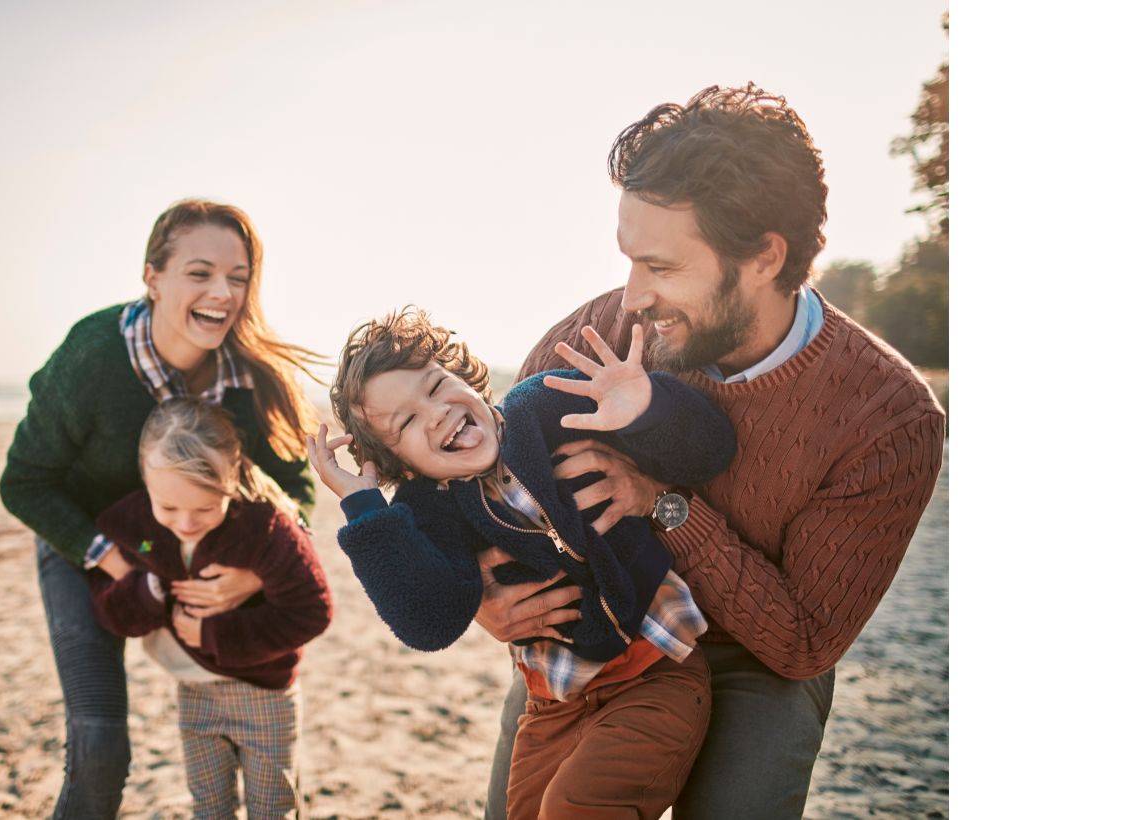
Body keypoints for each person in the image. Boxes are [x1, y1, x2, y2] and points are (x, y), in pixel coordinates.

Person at [477, 84, 947, 819]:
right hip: (603, 620)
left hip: (755, 656)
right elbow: (488, 488)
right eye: (630, 260)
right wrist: (488, 597)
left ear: (764, 257)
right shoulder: (600, 333)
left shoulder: (888, 418)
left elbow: (803, 642)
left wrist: (664, 506)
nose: (632, 297)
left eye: (661, 267)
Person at [309, 307, 736, 818]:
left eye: (435, 385)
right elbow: (428, 621)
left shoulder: (544, 407)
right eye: (406, 421)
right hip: (553, 701)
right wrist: (364, 509)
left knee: (575, 808)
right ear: (399, 466)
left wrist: (644, 405)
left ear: (463, 375)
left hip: (654, 670)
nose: (436, 413)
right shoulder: (429, 510)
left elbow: (712, 449)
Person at [0, 198, 321, 819]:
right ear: (153, 277)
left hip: (196, 555)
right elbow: (24, 483)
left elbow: (293, 492)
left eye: (238, 276)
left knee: (258, 759)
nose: (221, 292)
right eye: (199, 273)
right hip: (84, 541)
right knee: (99, 740)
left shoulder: (252, 376)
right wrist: (119, 565)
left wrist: (255, 575)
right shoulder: (93, 356)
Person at [89, 398, 333, 819]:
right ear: (145, 480)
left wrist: (214, 635)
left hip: (267, 694)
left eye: (205, 507)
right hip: (193, 692)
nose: (185, 523)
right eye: (167, 507)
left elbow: (312, 609)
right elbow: (110, 611)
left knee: (273, 808)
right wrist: (146, 589)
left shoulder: (265, 527)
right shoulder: (137, 527)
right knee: (209, 808)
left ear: (232, 477)